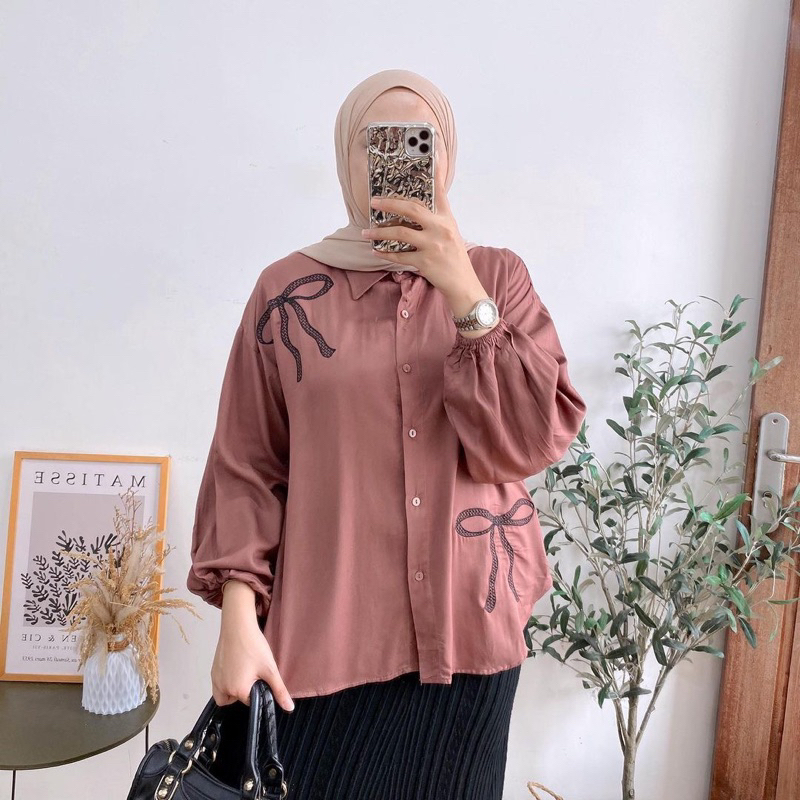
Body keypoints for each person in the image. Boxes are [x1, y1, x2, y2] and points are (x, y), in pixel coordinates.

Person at [187, 68, 587, 800]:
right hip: (324, 641)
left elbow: (530, 441)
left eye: (419, 141)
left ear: (447, 157)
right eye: (380, 141)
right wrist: (237, 622)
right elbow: (246, 464)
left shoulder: (498, 278)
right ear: (348, 157)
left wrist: (462, 290)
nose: (400, 159)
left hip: (469, 640)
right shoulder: (285, 292)